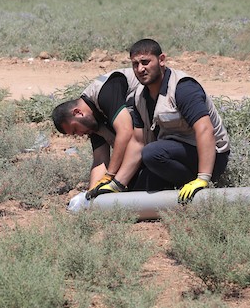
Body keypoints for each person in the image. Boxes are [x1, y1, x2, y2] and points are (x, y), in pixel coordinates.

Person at [92, 38, 230, 203]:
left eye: (145, 62)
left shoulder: (183, 88)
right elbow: (138, 142)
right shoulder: (139, 96)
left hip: (210, 157)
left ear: (162, 60)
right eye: (135, 64)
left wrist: (203, 178)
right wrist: (116, 184)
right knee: (136, 189)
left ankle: (194, 188)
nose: (140, 69)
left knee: (152, 153)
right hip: (173, 154)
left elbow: (205, 129)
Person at [52, 68, 141, 199]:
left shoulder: (105, 92)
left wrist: (110, 176)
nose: (80, 134)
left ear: (78, 112)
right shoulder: (92, 122)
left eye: (75, 129)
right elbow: (100, 160)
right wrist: (92, 194)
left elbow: (126, 131)